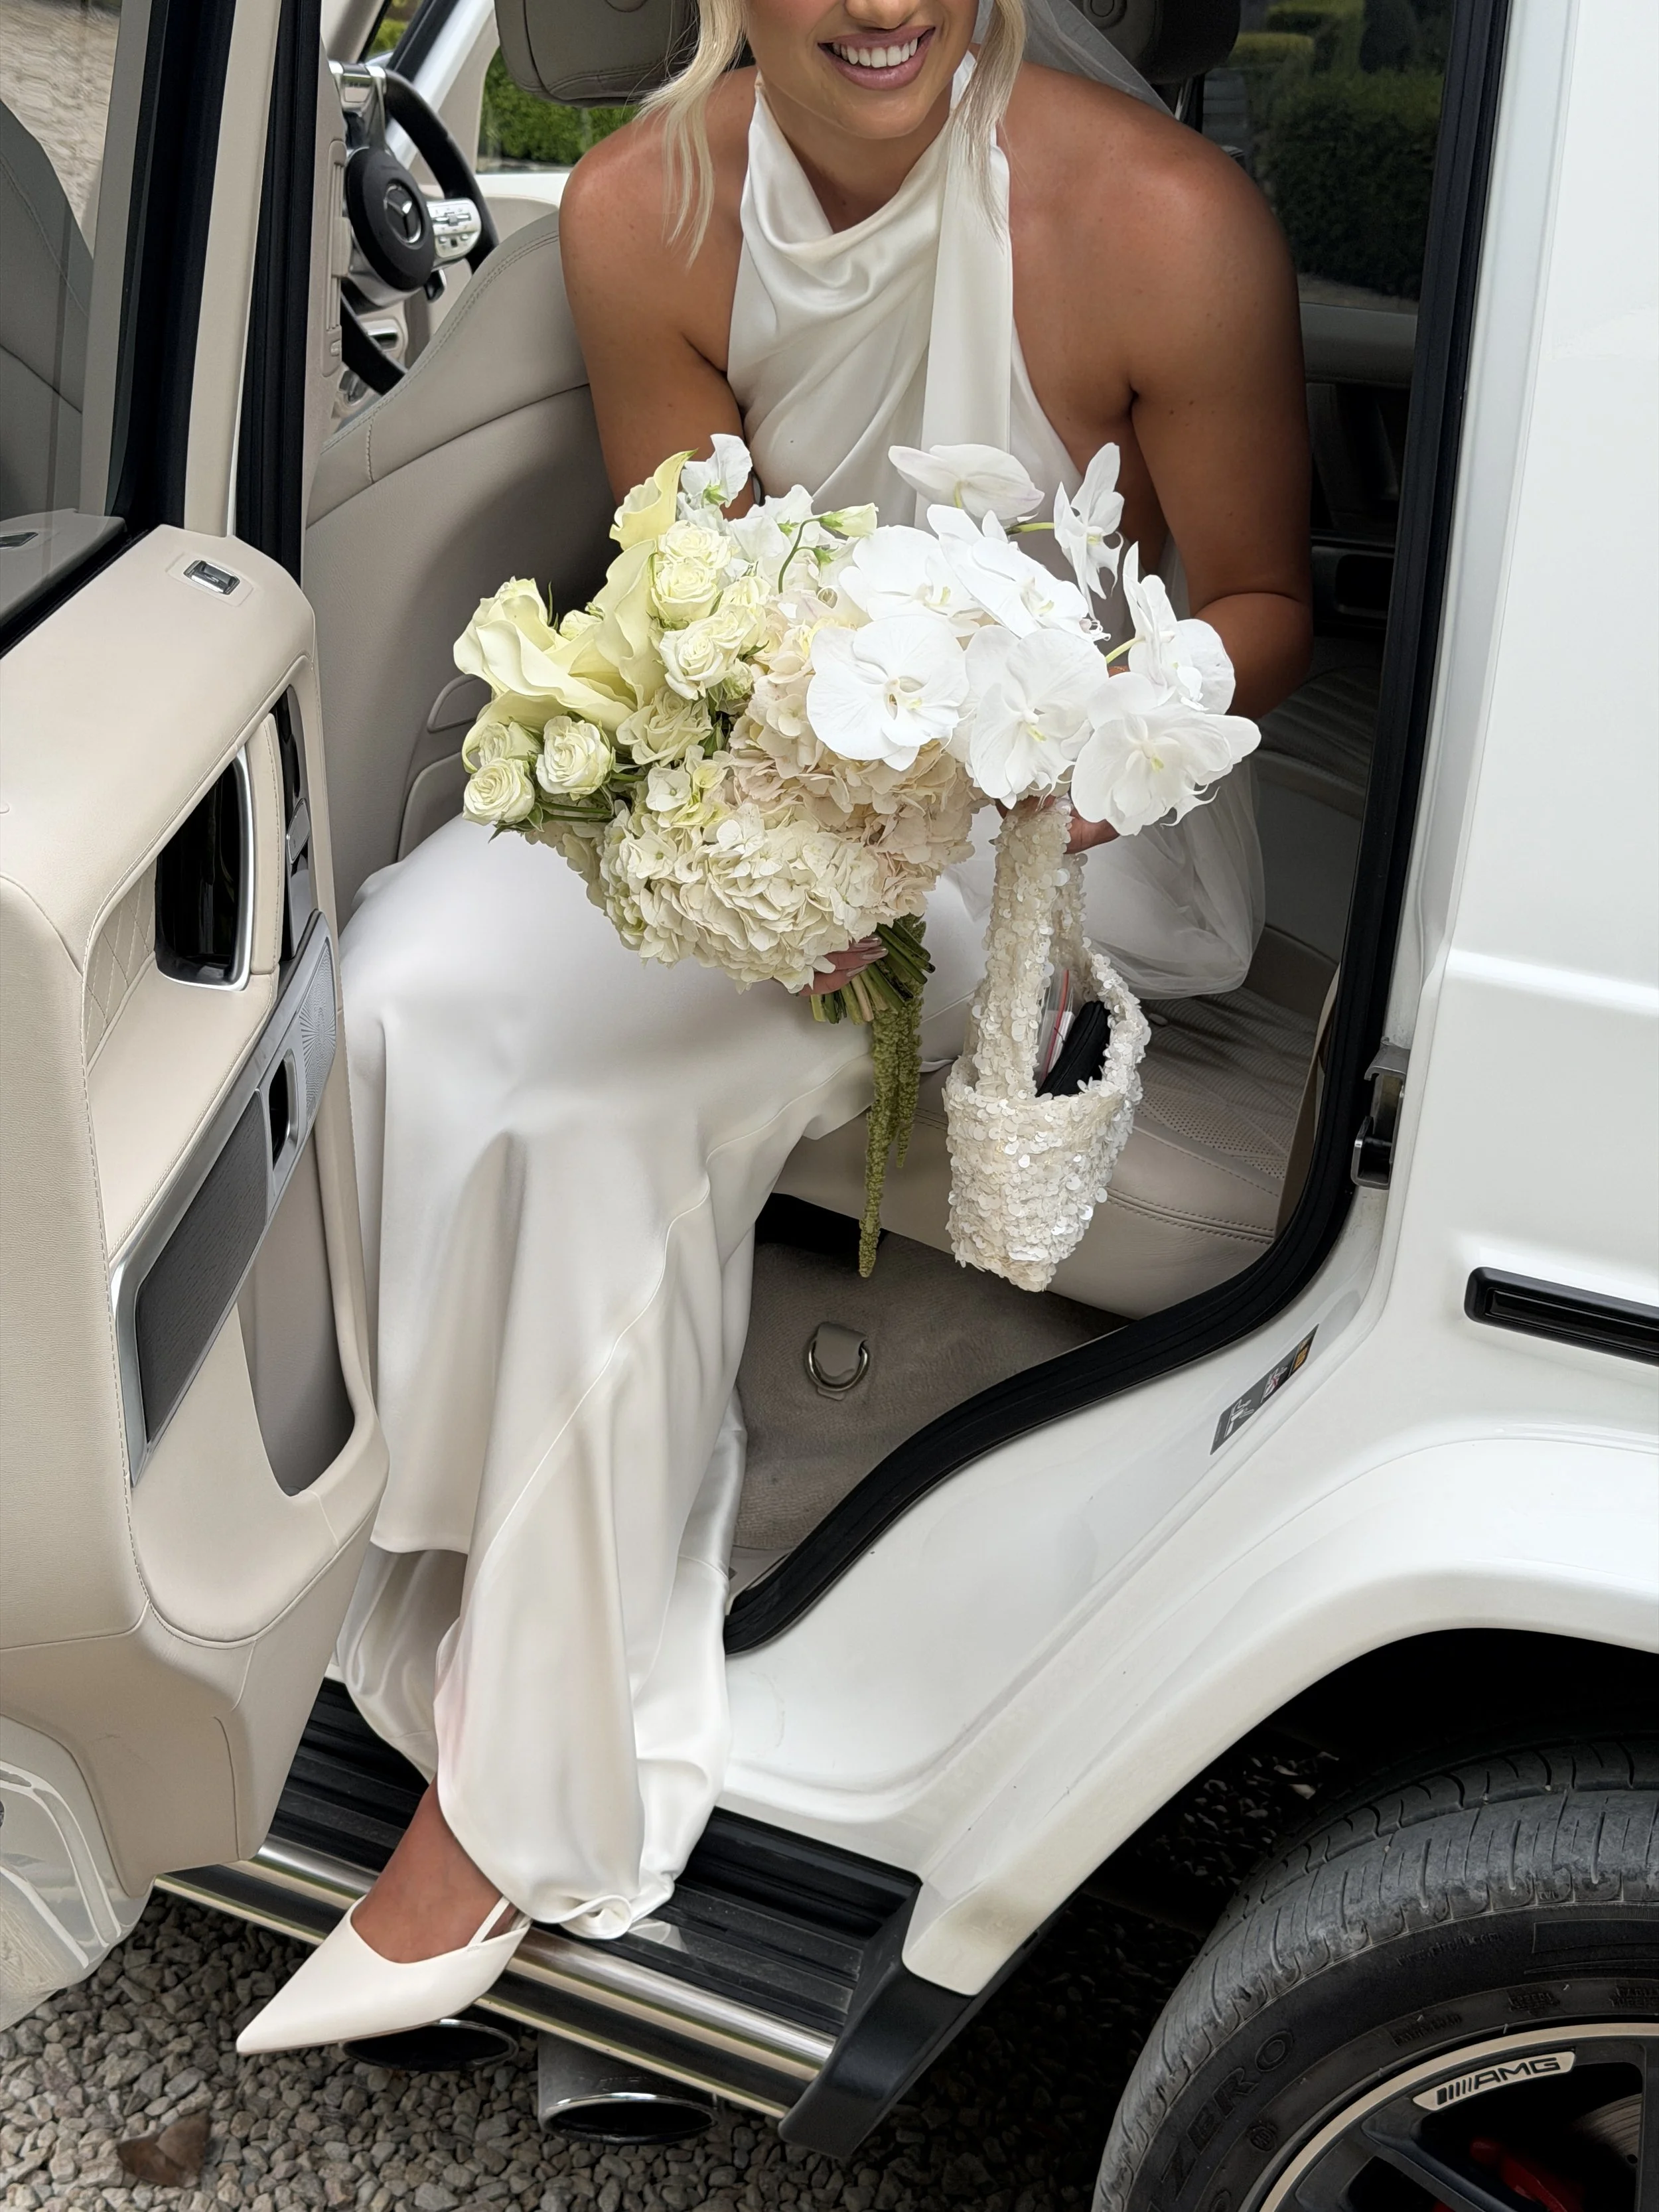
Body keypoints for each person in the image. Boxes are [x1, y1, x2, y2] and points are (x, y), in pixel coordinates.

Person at [237, 0, 1310, 2053]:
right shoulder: (642, 209)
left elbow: (1258, 604)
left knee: (612, 1097)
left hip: (1074, 795)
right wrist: (769, 819)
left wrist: (1043, 774)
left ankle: (517, 1798)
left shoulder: (1168, 216)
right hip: (780, 761)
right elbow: (693, 580)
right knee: (408, 984)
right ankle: (515, 1575)